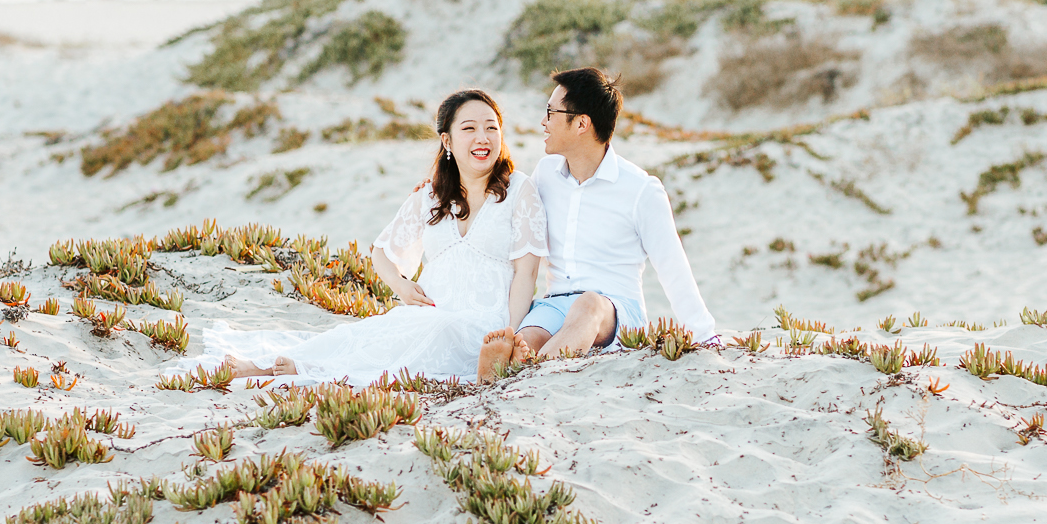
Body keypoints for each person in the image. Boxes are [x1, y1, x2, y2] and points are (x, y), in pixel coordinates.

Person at [197, 88, 546, 384]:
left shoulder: (519, 189)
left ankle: (306, 372)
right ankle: (268, 366)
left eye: (492, 128)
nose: (483, 137)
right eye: (469, 128)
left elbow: (527, 272)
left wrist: (511, 332)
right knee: (367, 333)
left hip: (485, 326)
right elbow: (382, 252)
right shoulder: (431, 195)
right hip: (429, 314)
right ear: (448, 140)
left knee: (435, 333)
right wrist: (403, 287)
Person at [478, 67, 717, 376]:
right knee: (523, 340)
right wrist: (436, 190)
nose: (543, 122)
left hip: (613, 310)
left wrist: (704, 335)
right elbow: (503, 209)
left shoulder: (641, 189)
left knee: (588, 305)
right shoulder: (545, 174)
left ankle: (532, 375)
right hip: (554, 303)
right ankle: (509, 369)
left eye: (551, 112)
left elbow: (673, 268)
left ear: (581, 123)